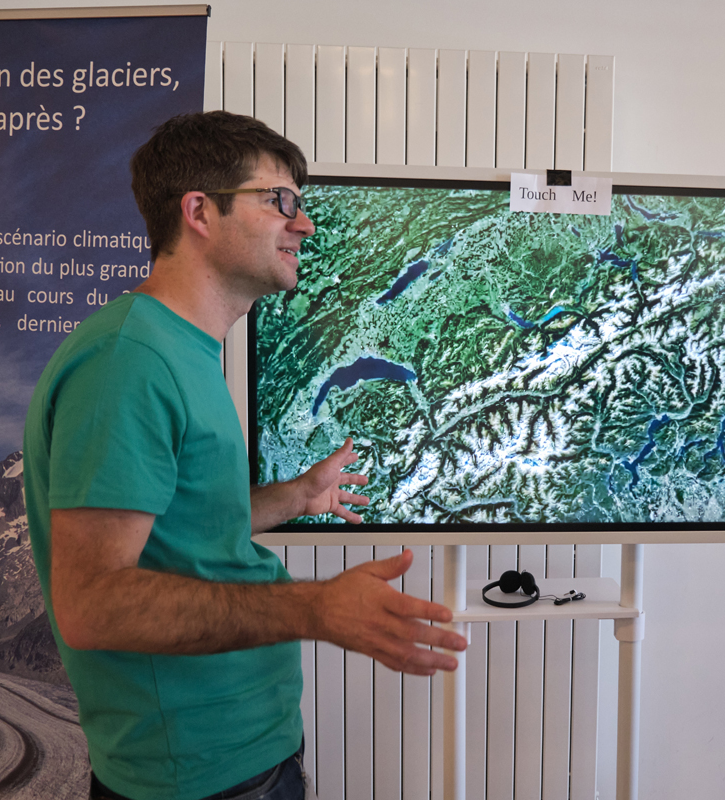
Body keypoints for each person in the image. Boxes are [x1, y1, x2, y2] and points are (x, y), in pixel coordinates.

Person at [23, 111, 468, 800]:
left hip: (239, 760)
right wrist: (315, 608)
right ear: (200, 211)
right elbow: (94, 605)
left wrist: (294, 498)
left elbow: (178, 529)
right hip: (198, 777)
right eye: (279, 200)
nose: (304, 224)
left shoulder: (175, 347)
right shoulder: (128, 362)